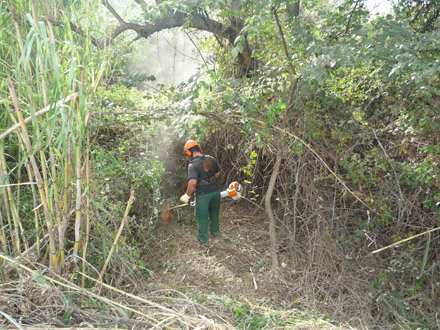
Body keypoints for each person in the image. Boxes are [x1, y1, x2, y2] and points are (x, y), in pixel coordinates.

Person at [180, 140, 221, 243]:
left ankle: (203, 239)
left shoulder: (192, 165)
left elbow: (193, 183)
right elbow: (218, 173)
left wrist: (187, 195)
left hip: (203, 195)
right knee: (214, 214)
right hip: (216, 192)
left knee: (202, 218)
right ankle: (215, 233)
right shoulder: (211, 158)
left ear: (189, 152)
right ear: (199, 148)